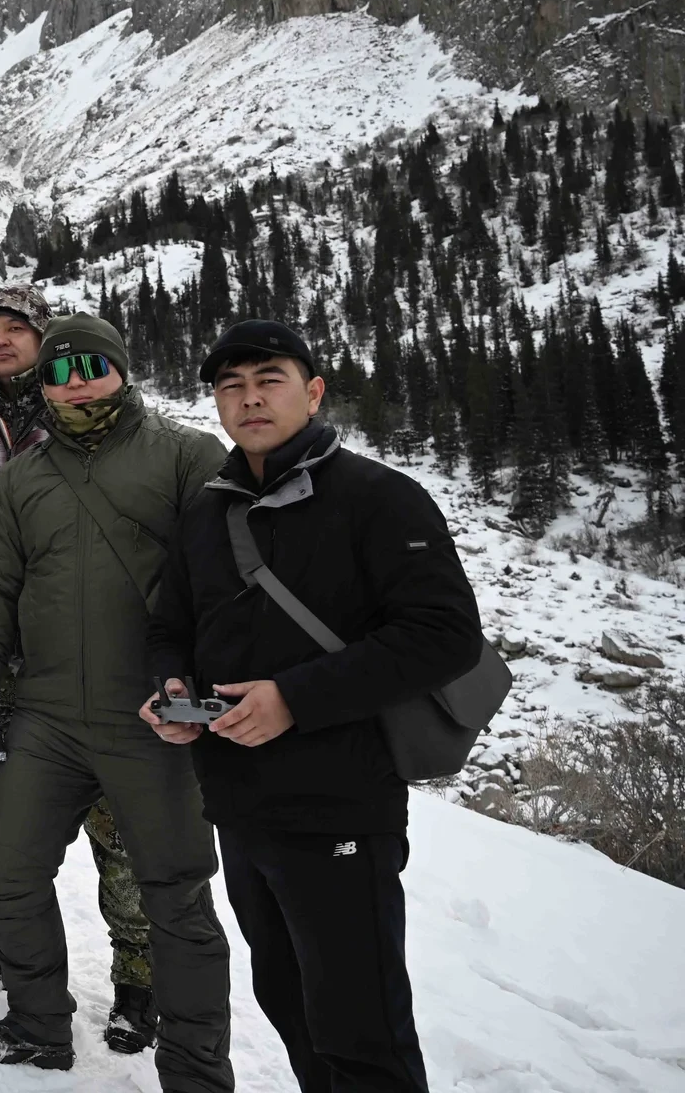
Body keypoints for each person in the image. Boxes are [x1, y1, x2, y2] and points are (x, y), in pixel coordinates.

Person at [146, 320, 484, 1093]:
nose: (249, 398)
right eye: (231, 386)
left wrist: (294, 700)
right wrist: (173, 687)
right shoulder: (206, 514)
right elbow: (171, 627)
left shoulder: (379, 498)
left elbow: (444, 636)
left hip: (341, 806)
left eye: (269, 379)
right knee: (290, 1005)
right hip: (237, 802)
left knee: (360, 1031)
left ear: (314, 392)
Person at [0, 314, 232, 1086]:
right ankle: (39, 1026)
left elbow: (230, 583)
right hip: (47, 718)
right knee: (8, 869)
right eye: (58, 372)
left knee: (177, 898)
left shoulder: (187, 457)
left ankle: (198, 1073)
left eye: (90, 368)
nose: (75, 385)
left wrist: (209, 696)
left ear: (122, 369)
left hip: (155, 721)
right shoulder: (24, 478)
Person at [0, 284, 158, 1053]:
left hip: (96, 655)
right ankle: (1, 940)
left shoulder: (94, 417)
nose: (2, 340)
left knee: (121, 820)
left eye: (19, 328)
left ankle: (140, 978)